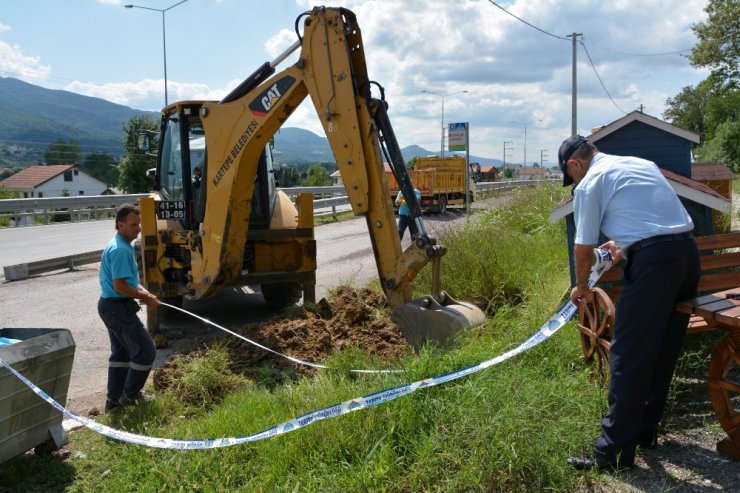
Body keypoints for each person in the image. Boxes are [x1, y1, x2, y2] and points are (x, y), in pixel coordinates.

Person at [559, 135, 700, 471]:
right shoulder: (639, 164)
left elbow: (582, 248)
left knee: (628, 354)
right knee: (664, 348)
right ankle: (644, 433)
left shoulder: (589, 183)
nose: (573, 183)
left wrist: (582, 288)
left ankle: (613, 453)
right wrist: (624, 248)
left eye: (571, 177)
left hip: (654, 265)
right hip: (687, 256)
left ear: (574, 165)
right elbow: (651, 222)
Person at [98, 203, 160, 412]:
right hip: (117, 308)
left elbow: (129, 282)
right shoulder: (120, 250)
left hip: (111, 306)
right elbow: (120, 286)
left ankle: (113, 401)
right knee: (145, 351)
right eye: (134, 225)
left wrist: (145, 293)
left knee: (121, 355)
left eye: (139, 224)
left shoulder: (120, 245)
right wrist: (144, 296)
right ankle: (130, 395)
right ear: (120, 225)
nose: (139, 229)